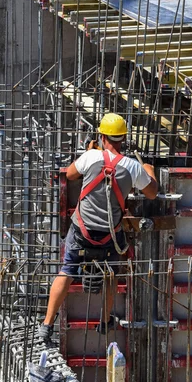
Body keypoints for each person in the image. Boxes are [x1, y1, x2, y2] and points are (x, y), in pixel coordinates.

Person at [39, 113, 158, 343]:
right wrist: (149, 170)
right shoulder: (133, 167)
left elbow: (70, 174)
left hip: (81, 231)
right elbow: (152, 192)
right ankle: (105, 321)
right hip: (109, 237)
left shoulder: (91, 157)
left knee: (67, 270)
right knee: (111, 275)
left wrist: (89, 152)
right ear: (122, 138)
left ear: (102, 136)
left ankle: (47, 324)